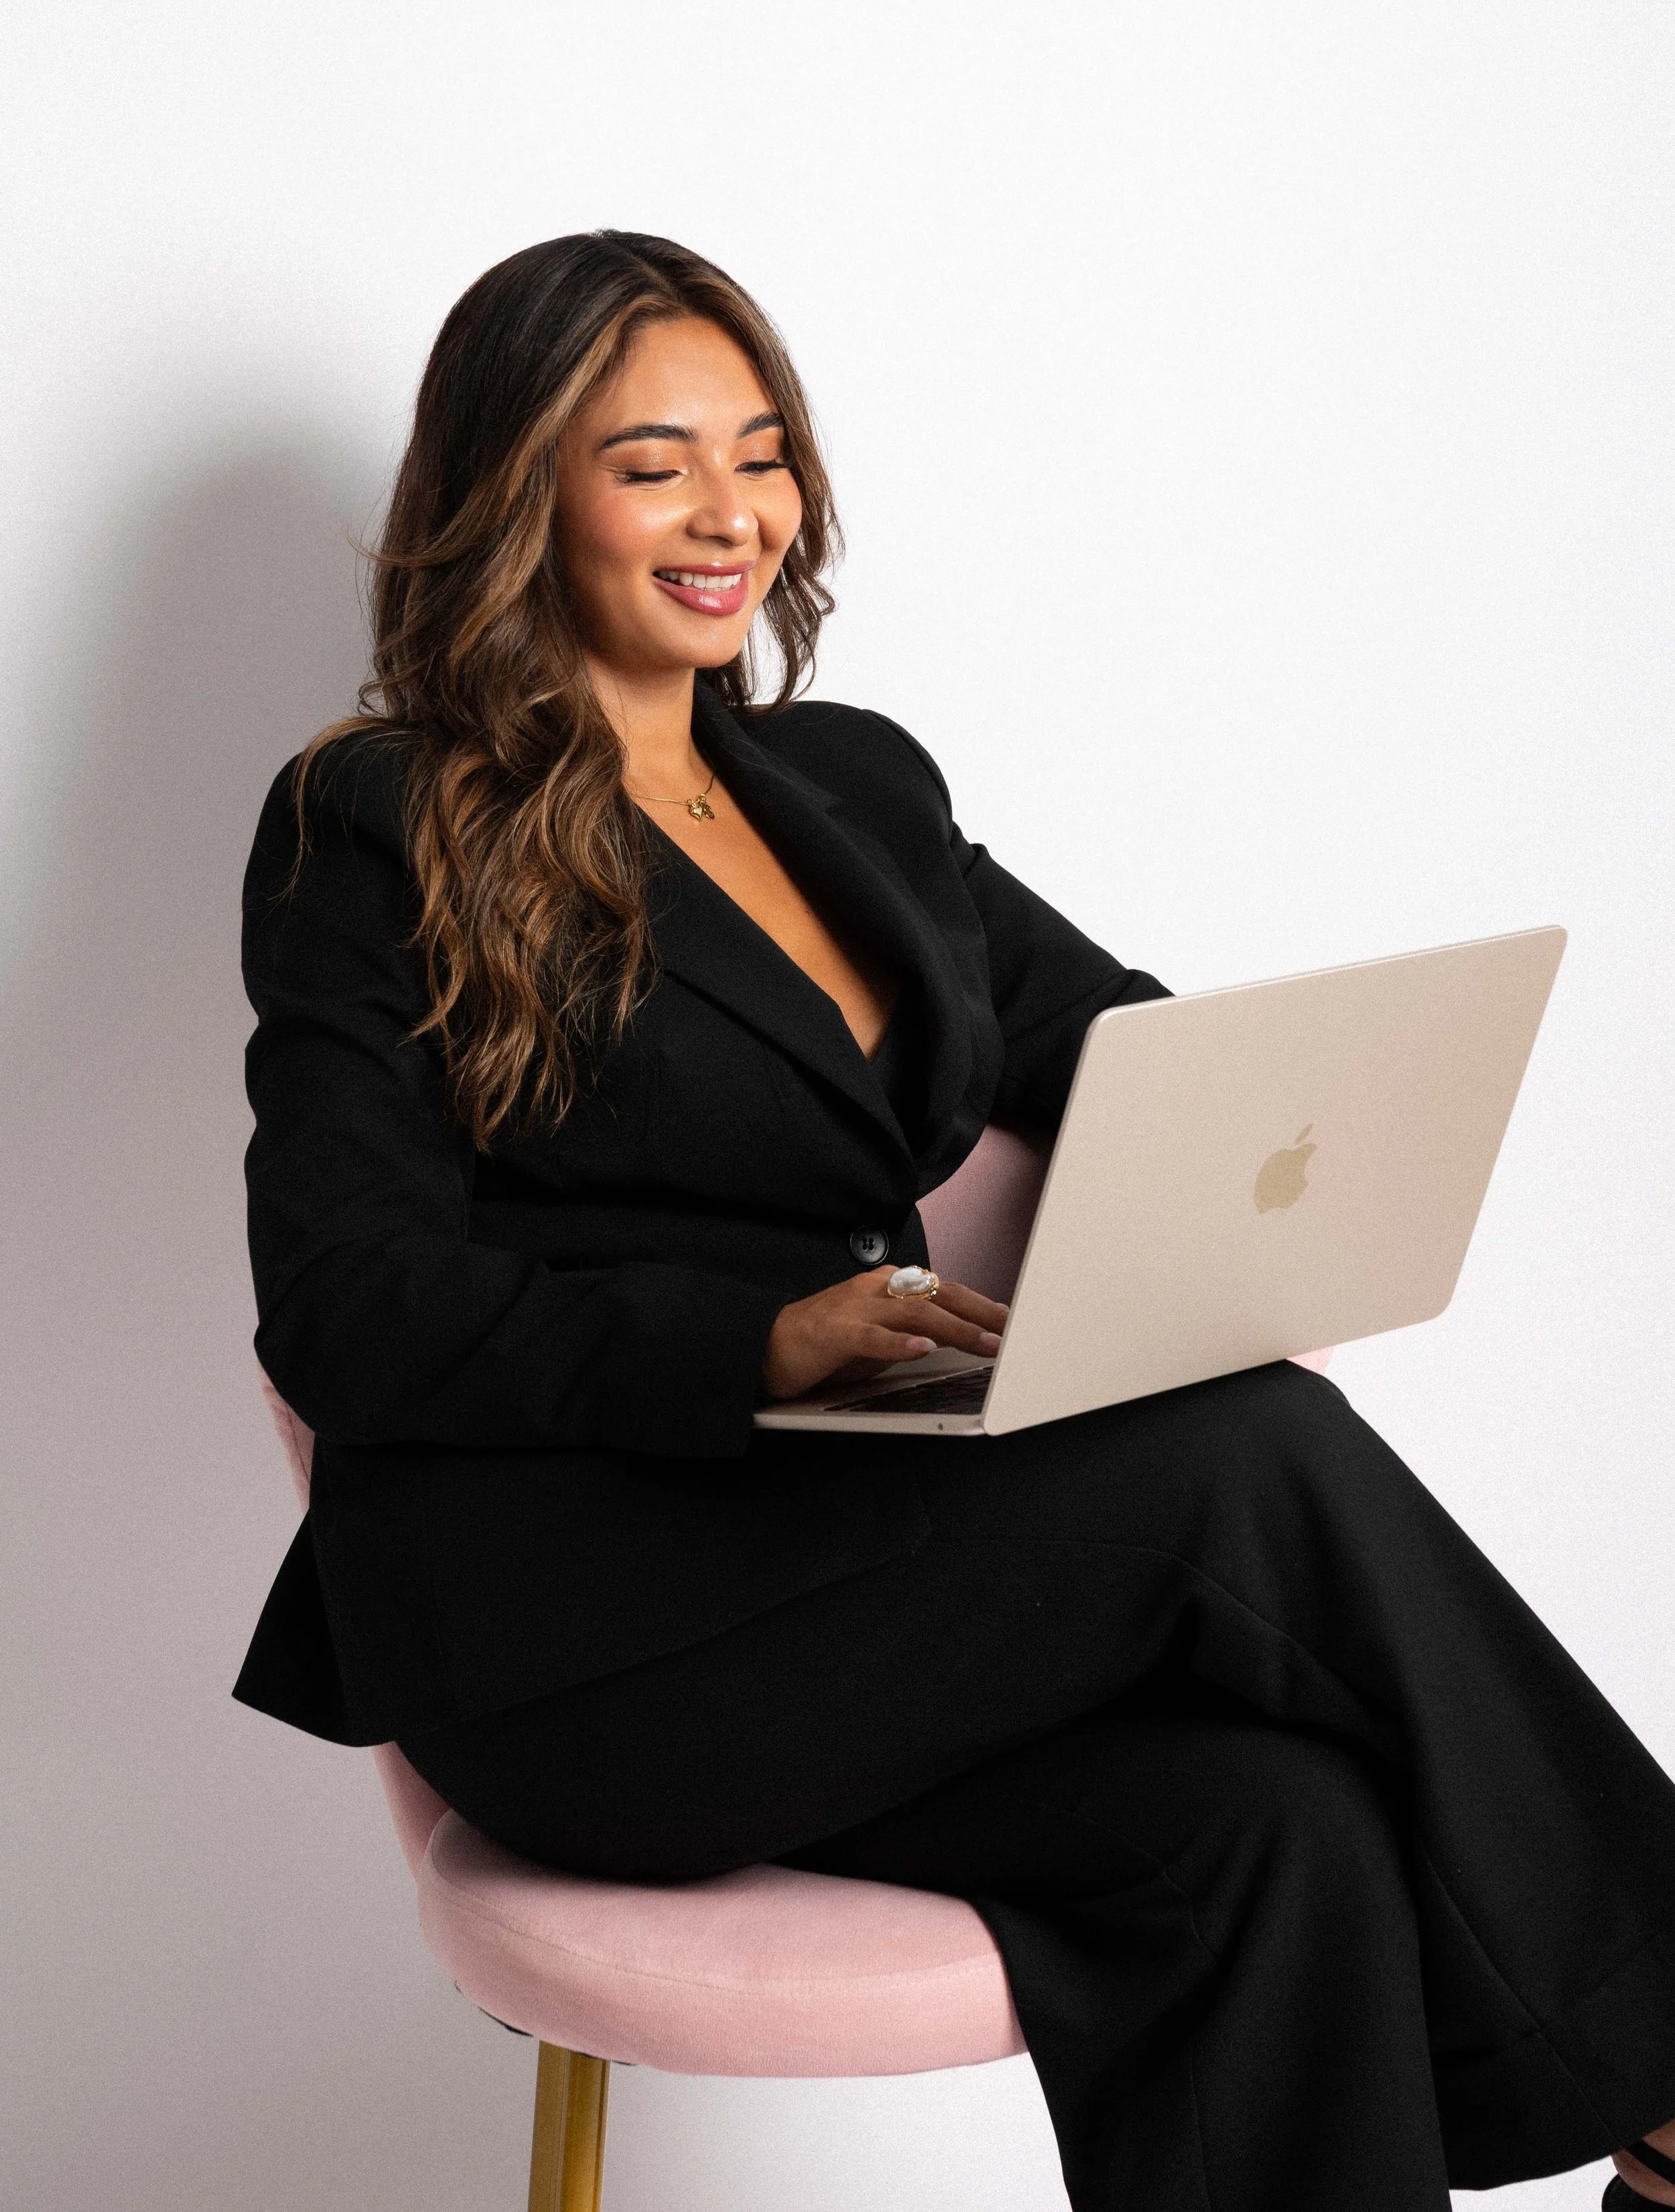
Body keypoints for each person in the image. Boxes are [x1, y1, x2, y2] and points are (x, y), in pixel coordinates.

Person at [233, 230, 1675, 2212]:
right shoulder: (379, 822)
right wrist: (755, 1344)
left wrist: (1290, 1158)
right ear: (516, 495)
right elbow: (346, 1298)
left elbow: (1127, 1049)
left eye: (761, 453)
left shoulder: (853, 788)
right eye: (652, 464)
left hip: (865, 1567)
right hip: (583, 1633)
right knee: (1243, 1454)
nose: (730, 512)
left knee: (1273, 1822)